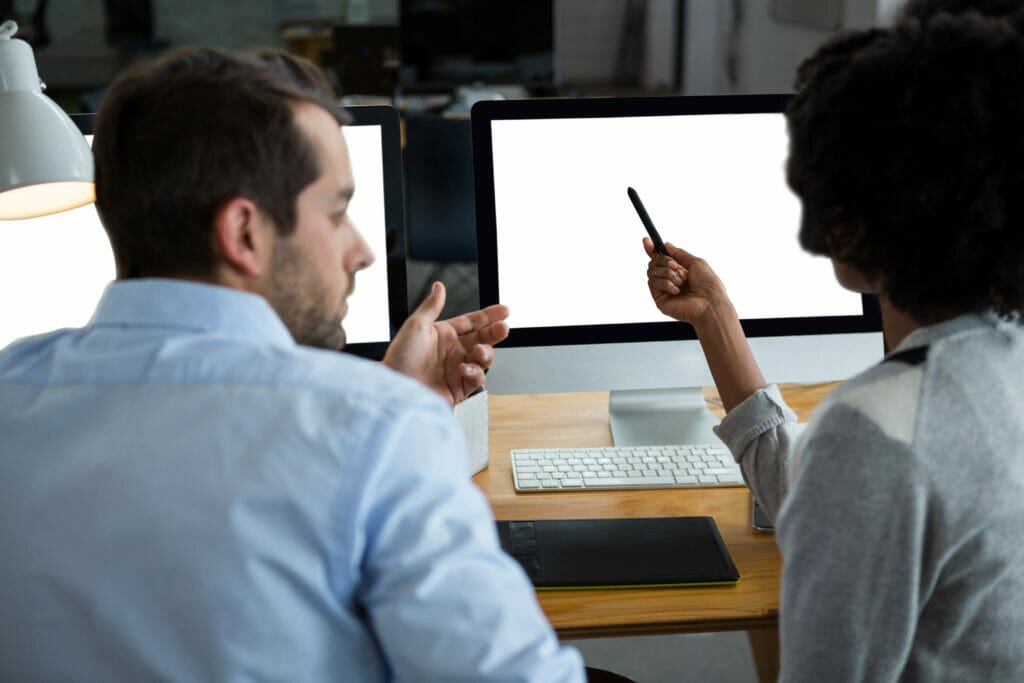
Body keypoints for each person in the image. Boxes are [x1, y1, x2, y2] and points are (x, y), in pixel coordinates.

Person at [0, 46, 585, 681]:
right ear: (244, 233)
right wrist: (398, 422)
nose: (361, 251)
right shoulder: (379, 430)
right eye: (336, 213)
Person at [644, 9, 1024, 682]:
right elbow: (823, 503)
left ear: (847, 222)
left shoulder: (877, 433)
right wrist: (715, 318)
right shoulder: (993, 366)